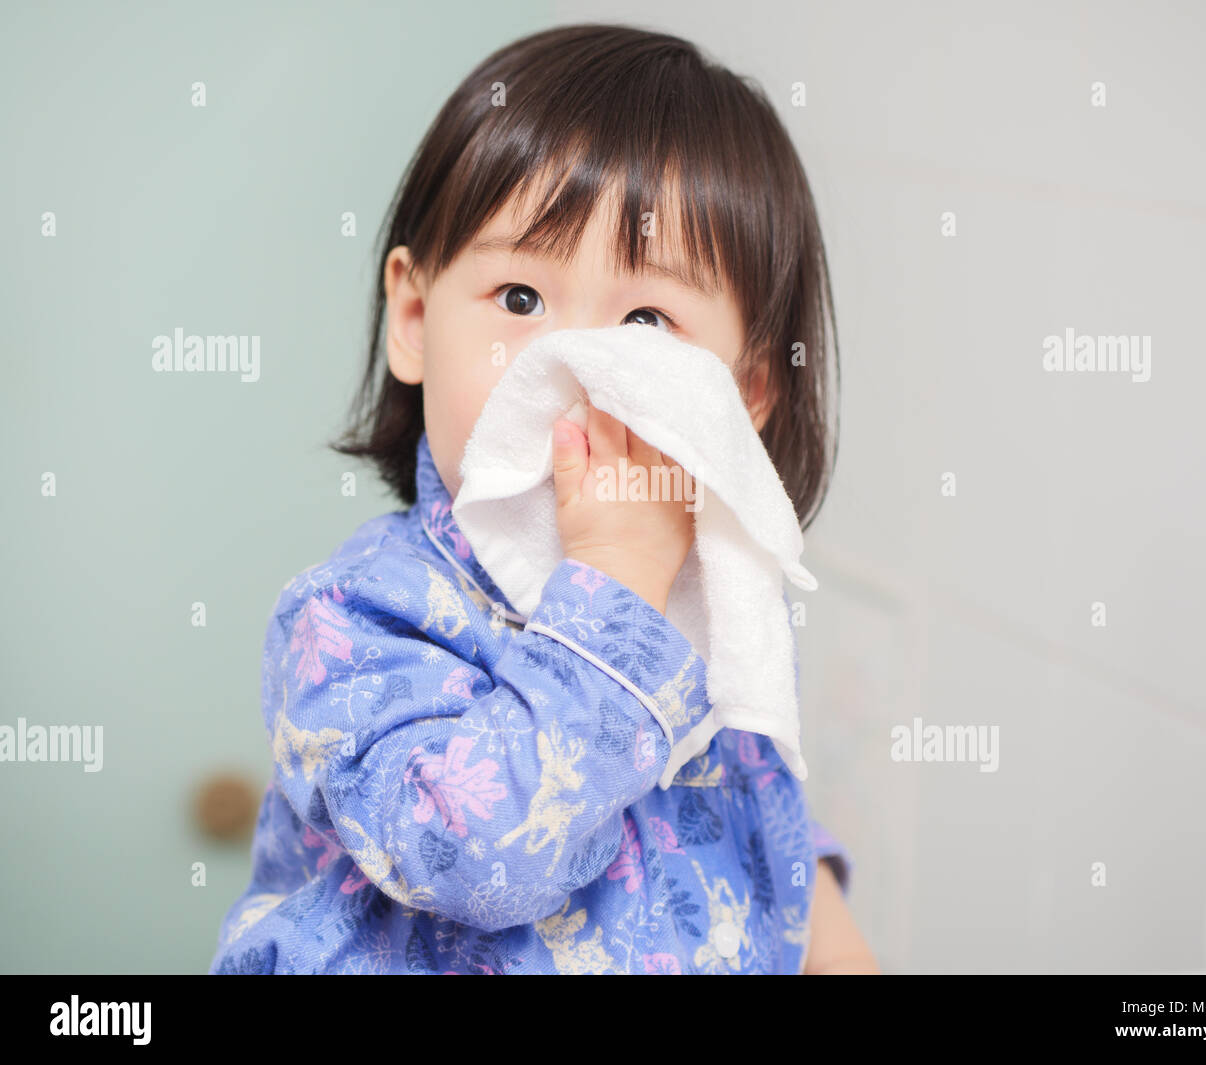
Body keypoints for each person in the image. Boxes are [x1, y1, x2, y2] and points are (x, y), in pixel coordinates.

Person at [210, 21, 878, 975]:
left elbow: (757, 828)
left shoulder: (717, 603)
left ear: (745, 396)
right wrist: (609, 585)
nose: (569, 365)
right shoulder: (356, 619)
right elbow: (474, 860)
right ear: (414, 318)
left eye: (648, 320)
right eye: (520, 298)